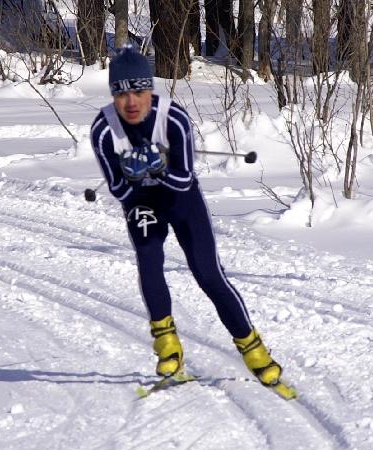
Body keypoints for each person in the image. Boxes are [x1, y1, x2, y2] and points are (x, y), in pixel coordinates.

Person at [89, 46, 287, 388]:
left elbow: (183, 179)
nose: (131, 102)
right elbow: (119, 191)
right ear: (113, 96)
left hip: (181, 200)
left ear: (150, 89)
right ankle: (168, 347)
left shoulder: (173, 119)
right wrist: (133, 174)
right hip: (142, 203)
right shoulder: (104, 130)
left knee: (209, 276)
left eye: (139, 91)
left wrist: (158, 165)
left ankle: (253, 349)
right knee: (149, 261)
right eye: (121, 94)